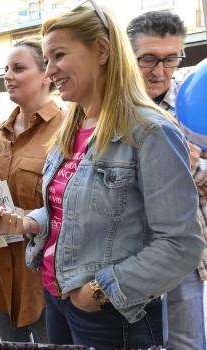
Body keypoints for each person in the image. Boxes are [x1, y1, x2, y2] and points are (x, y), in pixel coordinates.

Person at [0, 3, 203, 348]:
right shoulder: (73, 128)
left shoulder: (151, 131)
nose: (50, 70)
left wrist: (99, 291)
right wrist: (28, 223)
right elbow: (71, 210)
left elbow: (180, 245)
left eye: (58, 55)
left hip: (112, 315)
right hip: (58, 299)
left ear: (101, 50)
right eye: (47, 58)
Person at [0, 39, 64, 343]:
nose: (7, 75)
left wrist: (26, 218)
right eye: (5, 69)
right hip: (1, 274)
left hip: (43, 280)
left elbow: (74, 208)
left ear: (47, 75)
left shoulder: (67, 131)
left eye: (19, 68)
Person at [127, 11, 207, 349]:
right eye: (148, 59)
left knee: (186, 342)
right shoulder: (111, 109)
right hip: (125, 254)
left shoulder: (195, 101)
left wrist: (194, 167)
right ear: (128, 56)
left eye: (171, 58)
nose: (160, 71)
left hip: (181, 256)